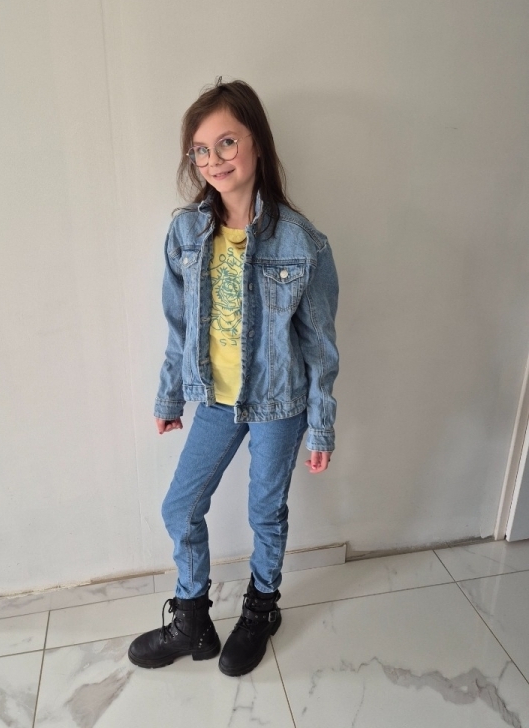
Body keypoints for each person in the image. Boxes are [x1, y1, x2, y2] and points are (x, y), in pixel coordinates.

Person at [128, 78, 339, 677]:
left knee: (265, 512)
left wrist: (321, 425)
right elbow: (178, 327)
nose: (214, 160)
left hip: (279, 402)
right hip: (215, 402)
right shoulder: (186, 233)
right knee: (180, 508)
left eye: (226, 142)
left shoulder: (301, 242)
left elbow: (320, 345)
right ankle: (192, 621)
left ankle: (261, 609)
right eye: (200, 149)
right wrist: (170, 395)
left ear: (256, 143)